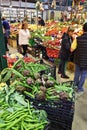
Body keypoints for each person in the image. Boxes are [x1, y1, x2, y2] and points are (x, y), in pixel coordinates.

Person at [70, 22, 87, 94]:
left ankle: (74, 86)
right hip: (86, 61)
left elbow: (71, 49)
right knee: (84, 74)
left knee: (77, 73)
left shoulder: (78, 39)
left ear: (83, 29)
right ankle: (80, 88)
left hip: (78, 60)